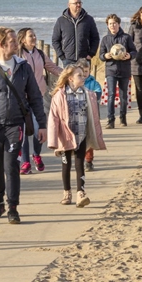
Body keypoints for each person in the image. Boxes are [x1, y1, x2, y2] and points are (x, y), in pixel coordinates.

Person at [0, 27, 47, 224]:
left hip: (16, 124)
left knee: (11, 165)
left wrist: (43, 125)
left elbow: (36, 97)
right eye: (12, 41)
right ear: (1, 44)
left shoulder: (23, 67)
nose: (16, 44)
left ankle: (13, 207)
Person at [47, 64, 106, 208]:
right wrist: (53, 141)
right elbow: (53, 119)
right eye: (79, 75)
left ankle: (81, 192)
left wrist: (96, 134)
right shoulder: (60, 95)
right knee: (66, 164)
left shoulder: (88, 94)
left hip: (81, 134)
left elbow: (94, 117)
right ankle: (67, 192)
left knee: (80, 163)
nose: (83, 77)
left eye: (83, 74)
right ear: (70, 78)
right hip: (65, 136)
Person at [17, 27, 62, 175]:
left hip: (38, 98)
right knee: (23, 131)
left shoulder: (40, 54)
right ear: (23, 39)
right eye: (31, 36)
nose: (34, 38)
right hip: (21, 99)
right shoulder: (17, 55)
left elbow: (53, 68)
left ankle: (36, 154)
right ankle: (25, 162)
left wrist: (68, 73)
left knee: (38, 130)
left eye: (34, 35)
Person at [98, 14, 137, 128]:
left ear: (119, 24)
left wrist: (129, 55)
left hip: (124, 70)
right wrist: (106, 55)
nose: (113, 26)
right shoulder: (105, 39)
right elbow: (100, 55)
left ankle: (123, 118)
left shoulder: (126, 37)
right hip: (111, 70)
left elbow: (134, 51)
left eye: (114, 23)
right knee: (111, 95)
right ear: (107, 25)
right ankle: (110, 120)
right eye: (110, 24)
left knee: (123, 95)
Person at [52, 0, 100, 66]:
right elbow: (55, 40)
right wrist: (62, 56)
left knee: (84, 77)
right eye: (76, 3)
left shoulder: (88, 19)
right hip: (68, 60)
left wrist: (91, 54)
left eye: (80, 3)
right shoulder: (61, 20)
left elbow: (95, 38)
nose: (78, 5)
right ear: (69, 5)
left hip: (84, 59)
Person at [76, 59, 102, 171]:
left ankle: (89, 161)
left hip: (90, 115)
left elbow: (98, 92)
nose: (84, 74)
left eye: (86, 71)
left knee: (89, 139)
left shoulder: (93, 82)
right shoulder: (74, 83)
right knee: (79, 139)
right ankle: (79, 159)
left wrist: (92, 95)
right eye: (81, 72)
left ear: (89, 71)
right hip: (77, 116)